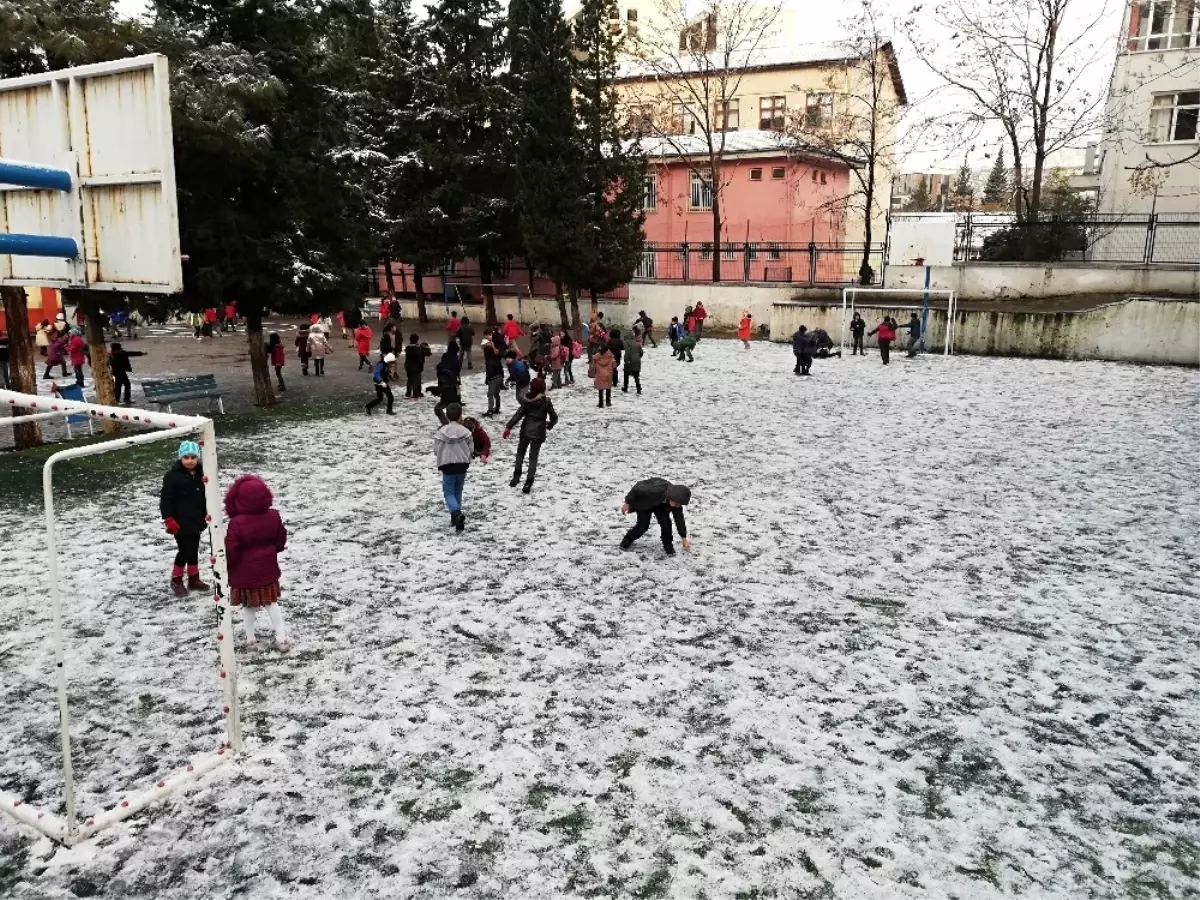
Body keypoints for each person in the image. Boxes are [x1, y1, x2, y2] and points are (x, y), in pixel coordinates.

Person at [224, 475, 289, 649]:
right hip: (267, 568)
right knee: (271, 603)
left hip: (244, 572)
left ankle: (250, 638)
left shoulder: (236, 522)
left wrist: (229, 565)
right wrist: (273, 550)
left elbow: (231, 547)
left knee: (248, 606)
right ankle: (281, 637)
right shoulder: (273, 516)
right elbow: (281, 537)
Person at [160, 441, 211, 598]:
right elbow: (165, 499)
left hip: (196, 519)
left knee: (193, 547)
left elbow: (206, 494)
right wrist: (168, 519)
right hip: (179, 521)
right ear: (181, 458)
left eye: (193, 457)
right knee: (184, 550)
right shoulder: (172, 476)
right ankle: (176, 579)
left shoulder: (202, 473)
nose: (190, 461)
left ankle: (194, 578)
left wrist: (206, 512)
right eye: (186, 457)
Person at [503, 377, 557, 494]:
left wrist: (509, 426)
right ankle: (529, 481)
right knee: (533, 456)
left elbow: (519, 414)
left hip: (526, 429)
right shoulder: (546, 401)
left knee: (520, 453)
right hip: (539, 431)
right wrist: (549, 425)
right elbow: (554, 417)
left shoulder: (526, 400)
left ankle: (516, 477)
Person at [620, 478, 692, 555]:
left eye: (679, 504)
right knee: (643, 525)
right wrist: (628, 502)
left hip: (661, 506)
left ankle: (668, 546)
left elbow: (679, 519)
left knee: (666, 524)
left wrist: (683, 537)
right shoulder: (654, 490)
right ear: (671, 498)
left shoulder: (676, 502)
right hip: (645, 503)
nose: (678, 506)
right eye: (677, 503)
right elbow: (637, 488)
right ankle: (627, 539)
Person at [434, 403, 473, 532]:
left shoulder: (441, 432)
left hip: (447, 464)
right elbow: (470, 448)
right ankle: (456, 516)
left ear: (447, 416)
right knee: (458, 489)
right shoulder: (466, 432)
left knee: (448, 491)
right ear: (460, 416)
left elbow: (436, 449)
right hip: (462, 464)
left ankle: (455, 513)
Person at [433, 349, 462, 424]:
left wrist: (436, 390)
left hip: (449, 394)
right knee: (456, 410)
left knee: (438, 409)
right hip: (454, 393)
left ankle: (446, 424)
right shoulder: (452, 368)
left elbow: (444, 385)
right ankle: (458, 424)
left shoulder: (443, 370)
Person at [403, 333, 431, 399]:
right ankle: (416, 394)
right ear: (417, 340)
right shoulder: (418, 349)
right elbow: (424, 356)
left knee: (410, 380)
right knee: (416, 380)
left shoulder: (408, 348)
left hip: (408, 366)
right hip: (416, 367)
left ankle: (408, 393)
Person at [592, 343, 616, 408]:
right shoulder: (610, 355)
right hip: (608, 373)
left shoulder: (597, 356)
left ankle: (601, 403)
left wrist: (594, 371)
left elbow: (593, 363)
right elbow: (614, 364)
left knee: (600, 388)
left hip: (600, 373)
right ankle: (608, 402)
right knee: (608, 387)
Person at [623, 329, 643, 394]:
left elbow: (627, 352)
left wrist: (626, 360)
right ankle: (638, 387)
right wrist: (638, 357)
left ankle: (625, 387)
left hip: (630, 360)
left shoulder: (626, 342)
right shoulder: (636, 342)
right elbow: (641, 352)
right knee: (636, 375)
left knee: (626, 373)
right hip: (637, 360)